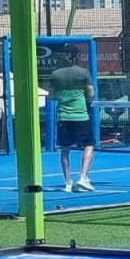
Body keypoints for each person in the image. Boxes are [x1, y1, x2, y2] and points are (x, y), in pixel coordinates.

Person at [49, 44, 95, 192]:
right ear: (77, 56)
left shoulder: (55, 75)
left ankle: (68, 182)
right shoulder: (83, 73)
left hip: (64, 118)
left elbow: (51, 95)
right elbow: (91, 93)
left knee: (65, 150)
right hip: (81, 117)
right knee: (89, 145)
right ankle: (83, 177)